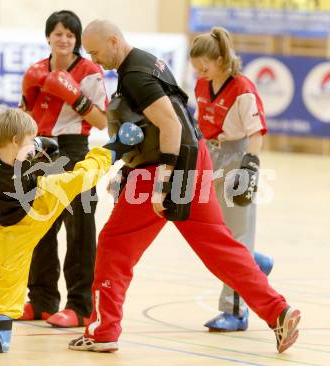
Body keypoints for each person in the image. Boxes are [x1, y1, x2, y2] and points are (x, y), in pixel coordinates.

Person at [67, 20, 301, 354]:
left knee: (114, 246)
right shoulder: (148, 61)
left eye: (96, 51)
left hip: (165, 170)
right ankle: (279, 311)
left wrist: (163, 182)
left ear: (114, 41)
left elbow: (170, 124)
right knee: (219, 247)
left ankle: (104, 330)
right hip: (197, 157)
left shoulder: (135, 74)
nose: (96, 59)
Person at [0, 108, 142, 353]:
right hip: (15, 227)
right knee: (5, 271)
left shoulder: (28, 153)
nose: (33, 145)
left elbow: (36, 146)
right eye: (29, 140)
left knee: (82, 176)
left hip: (43, 196)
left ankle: (117, 146)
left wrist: (38, 144)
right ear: (15, 141)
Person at [19, 10, 108, 327]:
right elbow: (25, 114)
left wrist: (74, 95)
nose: (64, 39)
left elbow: (102, 121)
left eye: (70, 35)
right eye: (58, 33)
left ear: (77, 40)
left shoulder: (90, 71)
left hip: (73, 149)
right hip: (39, 149)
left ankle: (81, 306)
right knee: (38, 227)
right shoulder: (35, 70)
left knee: (79, 229)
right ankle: (41, 300)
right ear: (48, 37)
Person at [189, 27, 275, 332]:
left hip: (238, 158)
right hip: (210, 159)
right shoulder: (202, 85)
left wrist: (249, 168)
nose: (200, 71)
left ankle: (235, 312)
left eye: (205, 65)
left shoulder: (242, 89)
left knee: (235, 242)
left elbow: (255, 132)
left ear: (222, 59)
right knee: (218, 236)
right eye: (197, 66)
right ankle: (256, 263)